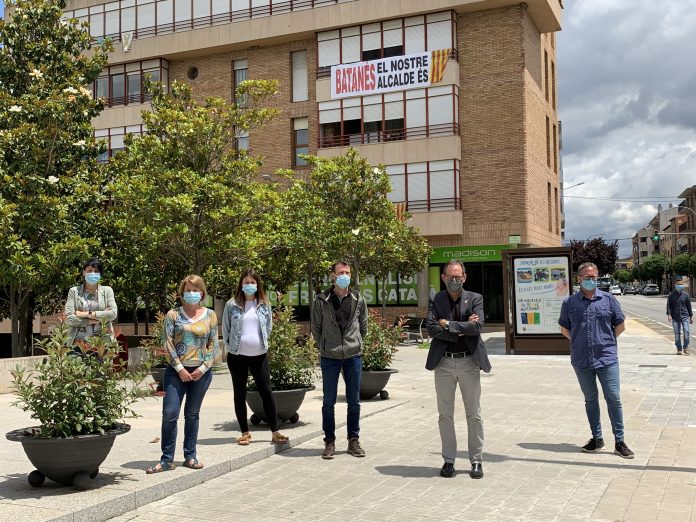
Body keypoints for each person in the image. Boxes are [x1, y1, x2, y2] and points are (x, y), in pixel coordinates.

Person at [558, 262, 634, 459]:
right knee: (590, 399)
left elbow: (620, 325)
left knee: (614, 398)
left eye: (594, 277)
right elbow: (564, 328)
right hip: (581, 359)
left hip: (607, 358)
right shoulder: (570, 303)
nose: (591, 280)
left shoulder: (608, 300)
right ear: (579, 278)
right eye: (587, 277)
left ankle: (620, 441)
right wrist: (578, 342)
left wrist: (605, 342)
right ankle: (597, 438)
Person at [426, 260, 490, 479]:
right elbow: (432, 328)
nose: (454, 281)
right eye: (450, 277)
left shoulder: (475, 298)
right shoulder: (436, 299)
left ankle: (476, 461)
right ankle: (448, 460)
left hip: (468, 362)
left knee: (474, 414)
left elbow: (478, 326)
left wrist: (448, 324)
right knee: (445, 414)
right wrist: (462, 327)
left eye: (458, 277)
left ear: (464, 277)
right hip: (443, 363)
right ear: (443, 278)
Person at [147, 275, 218, 473]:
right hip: (175, 371)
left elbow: (214, 344)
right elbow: (168, 343)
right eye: (188, 290)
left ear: (202, 293)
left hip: (201, 373)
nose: (192, 294)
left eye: (196, 290)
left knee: (192, 414)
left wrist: (203, 368)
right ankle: (167, 459)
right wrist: (180, 368)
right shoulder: (173, 315)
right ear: (182, 293)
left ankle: (190, 456)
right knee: (170, 413)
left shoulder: (210, 315)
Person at [222, 269, 289, 446]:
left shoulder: (264, 304)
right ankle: (245, 432)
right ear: (241, 284)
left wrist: (261, 344)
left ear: (258, 284)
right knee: (239, 393)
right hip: (237, 357)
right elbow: (226, 330)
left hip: (259, 356)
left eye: (253, 282)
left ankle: (275, 431)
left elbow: (268, 327)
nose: (249, 285)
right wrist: (233, 347)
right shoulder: (232, 305)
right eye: (246, 282)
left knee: (266, 392)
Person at [311, 261, 368, 459]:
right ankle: (329, 441)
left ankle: (353, 440)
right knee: (328, 402)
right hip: (330, 357)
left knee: (354, 401)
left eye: (348, 272)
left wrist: (357, 343)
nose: (345, 275)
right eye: (341, 272)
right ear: (333, 276)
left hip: (353, 356)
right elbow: (315, 327)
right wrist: (325, 346)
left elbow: (364, 326)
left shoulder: (358, 298)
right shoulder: (321, 299)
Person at [64, 258, 118, 353]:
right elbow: (68, 318)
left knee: (101, 368)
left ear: (100, 274)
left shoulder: (107, 291)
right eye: (89, 270)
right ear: (84, 272)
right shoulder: (74, 291)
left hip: (102, 343)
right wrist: (91, 321)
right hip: (78, 343)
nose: (93, 273)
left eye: (96, 271)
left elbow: (113, 314)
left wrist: (83, 314)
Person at [666, 277, 693, 355]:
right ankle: (679, 349)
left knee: (686, 331)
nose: (680, 286)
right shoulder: (671, 295)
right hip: (675, 317)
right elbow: (669, 306)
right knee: (677, 333)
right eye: (678, 284)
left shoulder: (686, 295)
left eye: (681, 284)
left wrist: (691, 317)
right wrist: (669, 315)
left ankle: (686, 348)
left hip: (685, 316)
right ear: (675, 285)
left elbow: (689, 306)